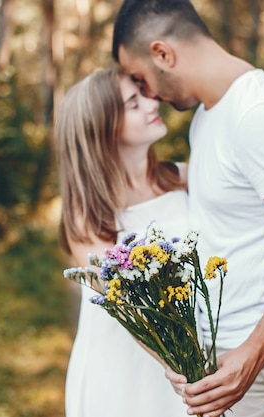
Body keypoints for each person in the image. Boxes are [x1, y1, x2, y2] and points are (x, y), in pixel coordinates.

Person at [111, 1, 264, 417]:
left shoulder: (260, 115)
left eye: (141, 79)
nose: (149, 94)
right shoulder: (210, 113)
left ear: (163, 53)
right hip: (237, 347)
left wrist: (252, 354)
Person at [55, 65, 190, 417]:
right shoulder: (89, 216)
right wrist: (184, 368)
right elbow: (127, 307)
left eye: (143, 93)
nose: (151, 102)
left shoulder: (184, 177)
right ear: (104, 129)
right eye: (134, 102)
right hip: (126, 372)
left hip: (191, 352)